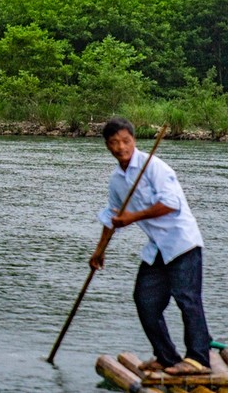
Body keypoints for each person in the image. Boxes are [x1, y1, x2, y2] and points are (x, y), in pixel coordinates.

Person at [90, 117, 211, 377]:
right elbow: (112, 217)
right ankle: (166, 357)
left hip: (182, 243)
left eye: (126, 141)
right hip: (158, 249)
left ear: (133, 140)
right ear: (107, 146)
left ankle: (198, 360)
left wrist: (132, 218)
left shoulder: (154, 167)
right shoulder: (117, 180)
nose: (121, 147)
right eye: (114, 143)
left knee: (187, 300)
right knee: (145, 300)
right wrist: (99, 251)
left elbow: (170, 204)